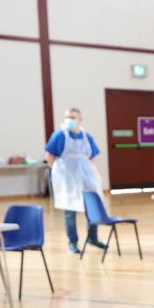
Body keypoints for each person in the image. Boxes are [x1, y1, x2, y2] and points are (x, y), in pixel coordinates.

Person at [45, 107, 105, 253]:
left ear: (80, 120)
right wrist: (59, 173)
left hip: (85, 177)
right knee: (70, 210)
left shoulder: (87, 136)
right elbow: (49, 156)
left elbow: (92, 156)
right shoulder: (59, 135)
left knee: (92, 206)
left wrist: (87, 171)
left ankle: (92, 237)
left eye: (72, 117)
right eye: (67, 117)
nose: (69, 120)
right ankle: (73, 241)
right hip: (67, 179)